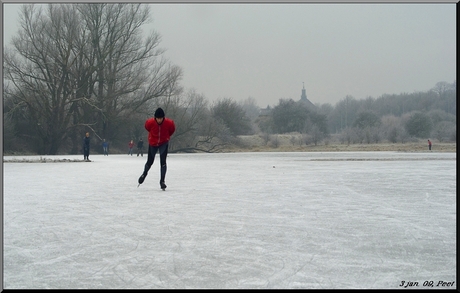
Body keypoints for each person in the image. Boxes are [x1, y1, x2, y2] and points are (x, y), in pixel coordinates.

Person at [138, 107, 175, 190]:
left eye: (161, 118)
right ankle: (144, 174)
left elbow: (172, 130)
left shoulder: (169, 123)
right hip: (153, 143)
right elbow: (147, 128)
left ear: (163, 118)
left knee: (163, 162)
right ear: (155, 118)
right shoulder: (149, 123)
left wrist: (166, 137)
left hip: (163, 143)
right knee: (150, 161)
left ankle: (162, 181)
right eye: (157, 118)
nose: (159, 120)